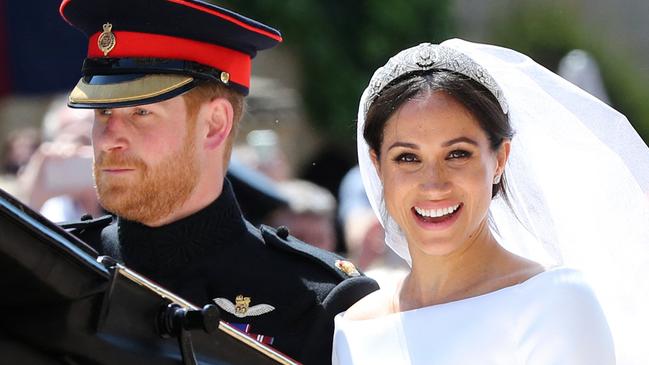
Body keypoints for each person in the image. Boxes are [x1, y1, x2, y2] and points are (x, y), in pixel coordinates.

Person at [57, 1, 378, 364]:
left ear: (215, 124)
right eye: (103, 112)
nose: (108, 138)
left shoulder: (319, 304)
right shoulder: (49, 263)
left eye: (141, 112)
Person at [333, 39, 649, 364]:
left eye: (457, 154)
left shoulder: (553, 303)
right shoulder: (357, 328)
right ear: (377, 165)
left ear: (500, 159)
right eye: (408, 158)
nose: (433, 184)